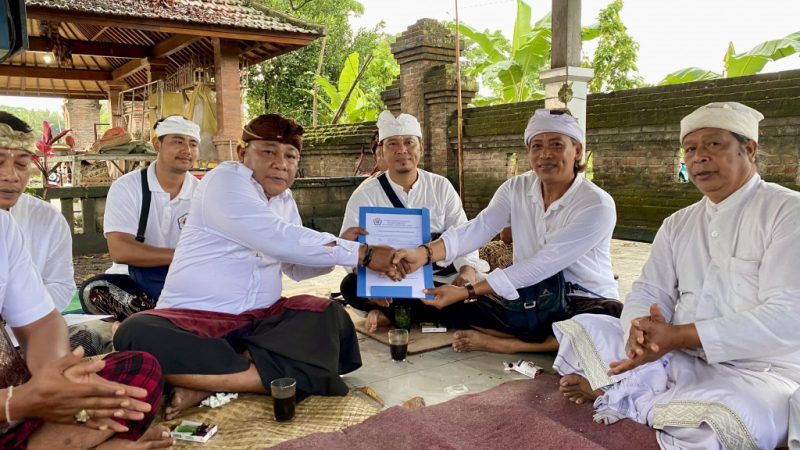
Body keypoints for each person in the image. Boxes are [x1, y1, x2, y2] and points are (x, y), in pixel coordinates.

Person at [114, 114, 401, 420]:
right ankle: (258, 377)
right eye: (268, 152)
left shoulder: (284, 199)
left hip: (261, 322)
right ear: (242, 153)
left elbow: (295, 267)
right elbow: (277, 237)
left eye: (290, 156)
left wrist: (340, 248)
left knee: (329, 316)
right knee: (135, 332)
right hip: (197, 320)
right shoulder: (224, 181)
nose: (281, 163)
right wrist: (362, 253)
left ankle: (206, 380)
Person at [551, 102, 800, 449]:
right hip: (674, 357)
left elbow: (788, 316)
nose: (698, 157)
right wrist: (639, 335)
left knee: (733, 420)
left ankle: (619, 393)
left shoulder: (787, 212)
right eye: (690, 149)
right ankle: (638, 395)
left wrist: (679, 336)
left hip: (758, 373)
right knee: (589, 325)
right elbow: (649, 288)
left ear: (750, 149)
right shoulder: (678, 223)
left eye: (713, 144)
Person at [395, 108, 621, 354]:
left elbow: (542, 264)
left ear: (577, 150)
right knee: (437, 303)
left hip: (580, 299)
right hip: (527, 298)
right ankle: (545, 341)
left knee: (606, 322)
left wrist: (467, 291)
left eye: (556, 144)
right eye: (536, 146)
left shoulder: (596, 204)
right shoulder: (516, 188)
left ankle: (513, 344)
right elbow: (479, 228)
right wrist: (424, 254)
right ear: (528, 152)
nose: (545, 154)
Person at [0, 210, 171, 449]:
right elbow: (122, 250)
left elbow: (41, 322)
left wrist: (60, 381)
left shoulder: (3, 226)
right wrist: (15, 401)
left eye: (20, 168)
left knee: (139, 371)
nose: (11, 175)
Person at [339, 111, 488, 332]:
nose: (402, 150)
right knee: (350, 287)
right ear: (381, 150)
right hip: (389, 278)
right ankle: (413, 310)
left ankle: (394, 314)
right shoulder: (365, 194)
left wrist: (466, 271)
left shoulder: (441, 187)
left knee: (480, 290)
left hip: (440, 277)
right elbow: (348, 251)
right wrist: (376, 275)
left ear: (421, 147)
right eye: (392, 144)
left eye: (409, 142)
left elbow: (463, 234)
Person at [79, 115, 201, 320]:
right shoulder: (127, 187)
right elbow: (121, 251)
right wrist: (182, 255)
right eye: (178, 141)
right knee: (95, 290)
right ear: (157, 145)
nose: (186, 150)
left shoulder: (202, 194)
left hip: (184, 281)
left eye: (193, 144)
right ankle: (169, 319)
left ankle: (158, 320)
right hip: (133, 283)